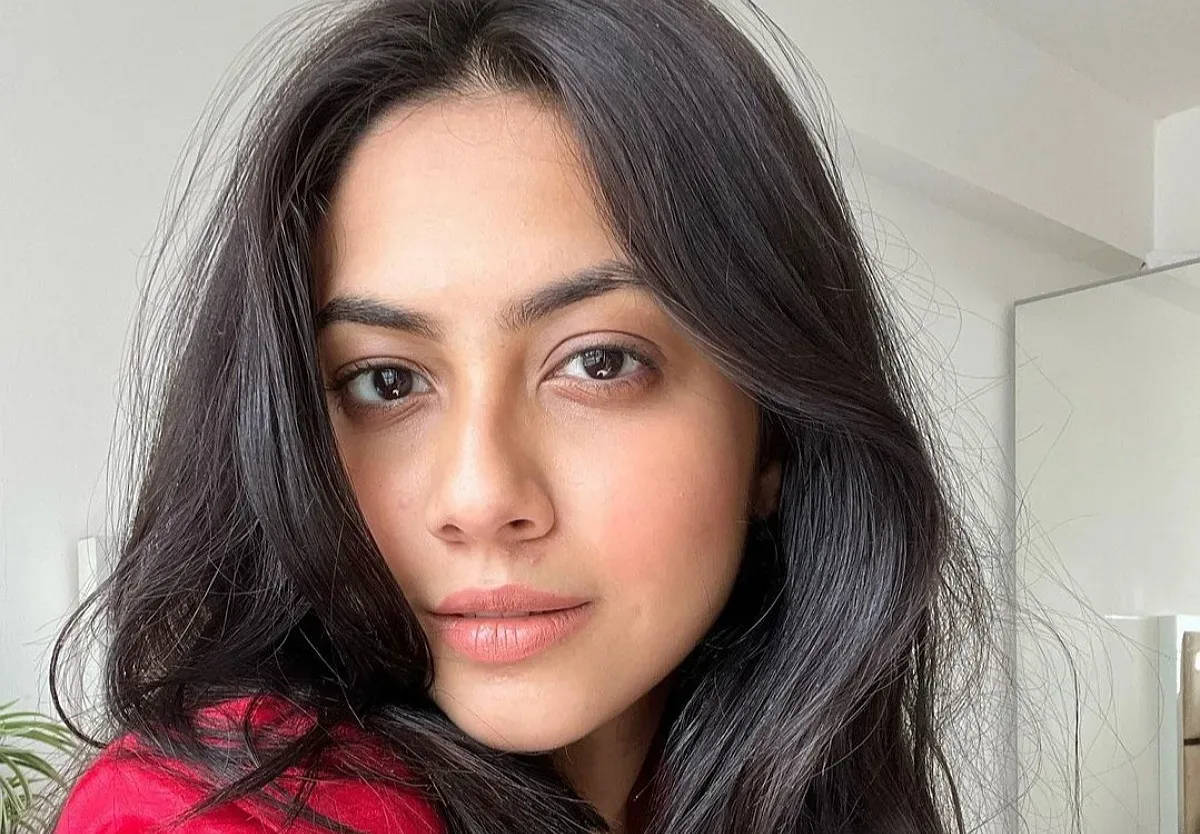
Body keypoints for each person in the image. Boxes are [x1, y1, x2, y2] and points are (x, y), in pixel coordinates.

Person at [49, 0, 994, 832]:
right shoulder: (225, 812)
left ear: (773, 435)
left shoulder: (789, 789)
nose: (478, 498)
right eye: (385, 381)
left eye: (598, 362)